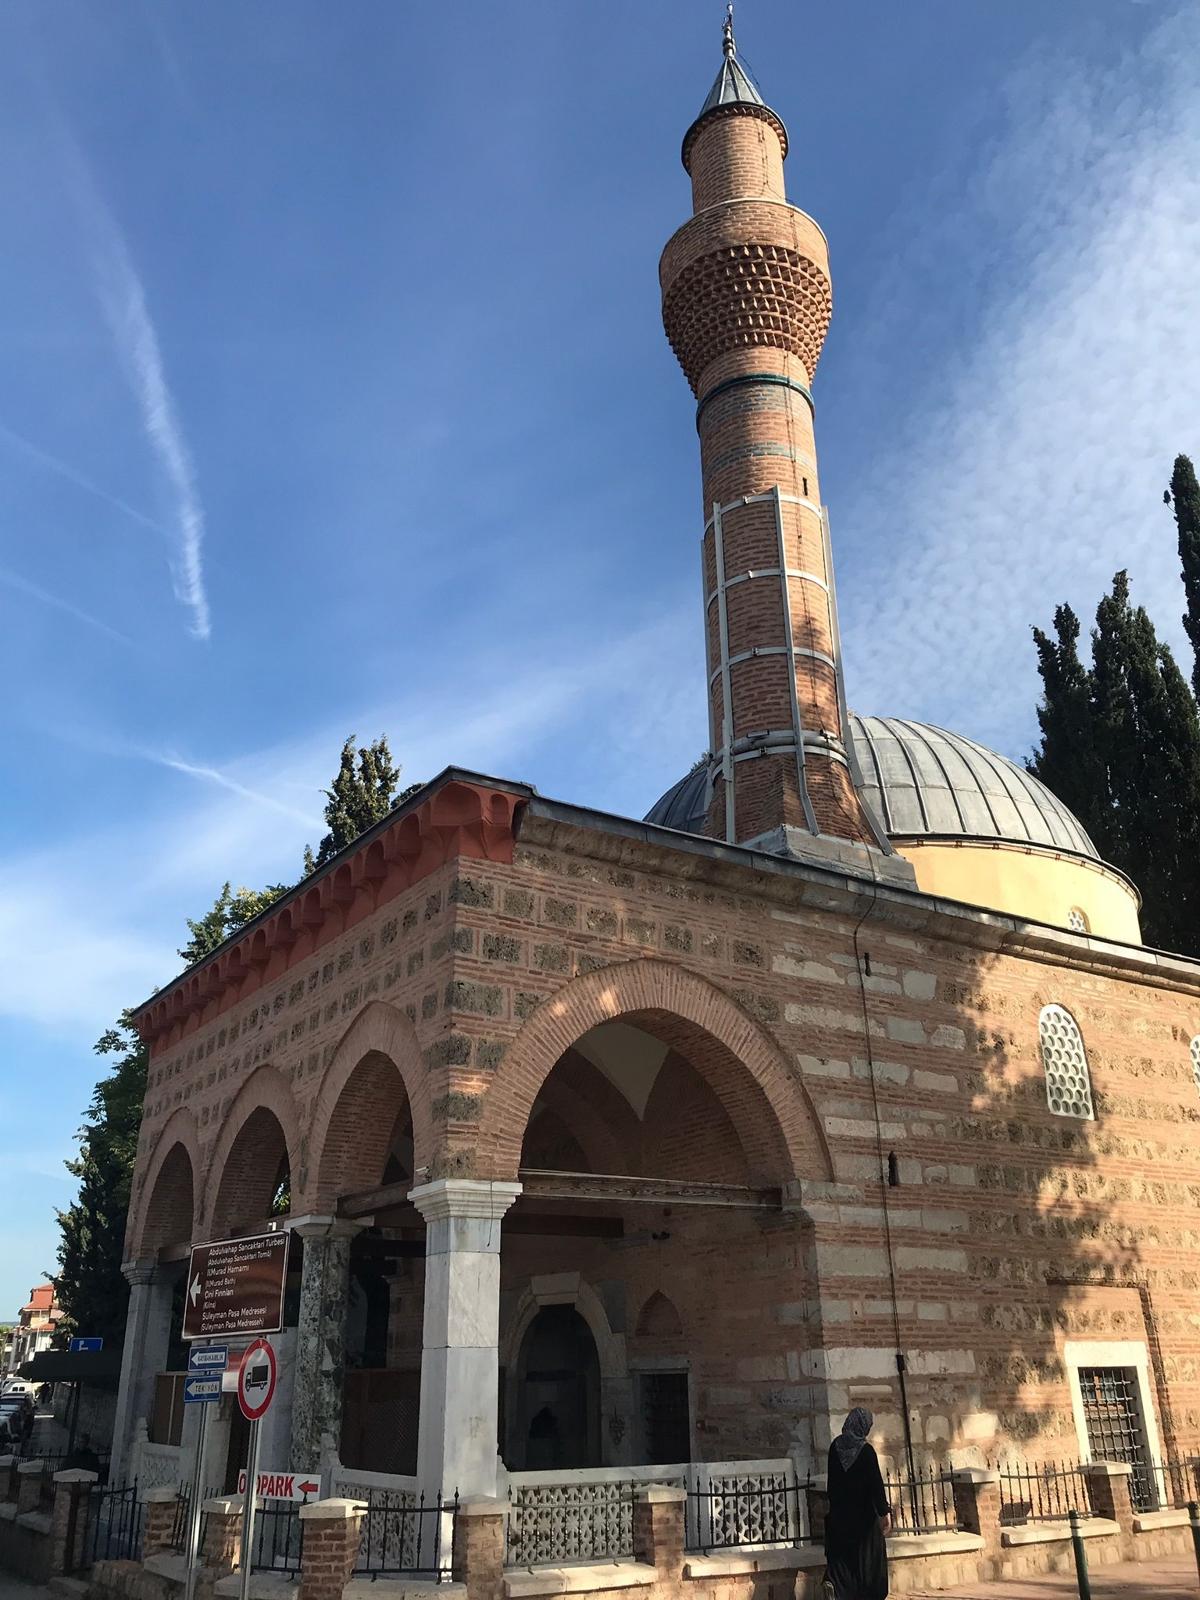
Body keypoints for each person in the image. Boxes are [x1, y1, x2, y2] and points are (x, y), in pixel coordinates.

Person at [823, 1407, 891, 1600]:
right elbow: (875, 1485)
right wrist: (884, 1512)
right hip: (863, 1519)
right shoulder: (866, 1452)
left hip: (839, 1516)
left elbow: (832, 1483)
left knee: (842, 1559)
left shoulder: (835, 1447)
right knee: (866, 1561)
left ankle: (837, 1589)